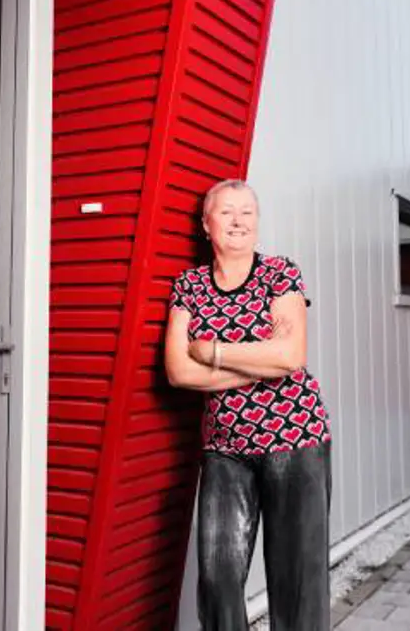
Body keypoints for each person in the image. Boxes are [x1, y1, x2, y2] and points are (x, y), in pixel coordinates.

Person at [165, 179, 333, 631]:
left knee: (297, 580)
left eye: (247, 212)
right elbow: (179, 371)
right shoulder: (190, 285)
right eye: (225, 212)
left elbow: (291, 356)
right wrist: (262, 360)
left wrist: (214, 351)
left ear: (257, 222)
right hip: (225, 449)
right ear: (206, 225)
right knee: (217, 580)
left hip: (295, 439)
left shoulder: (280, 273)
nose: (238, 221)